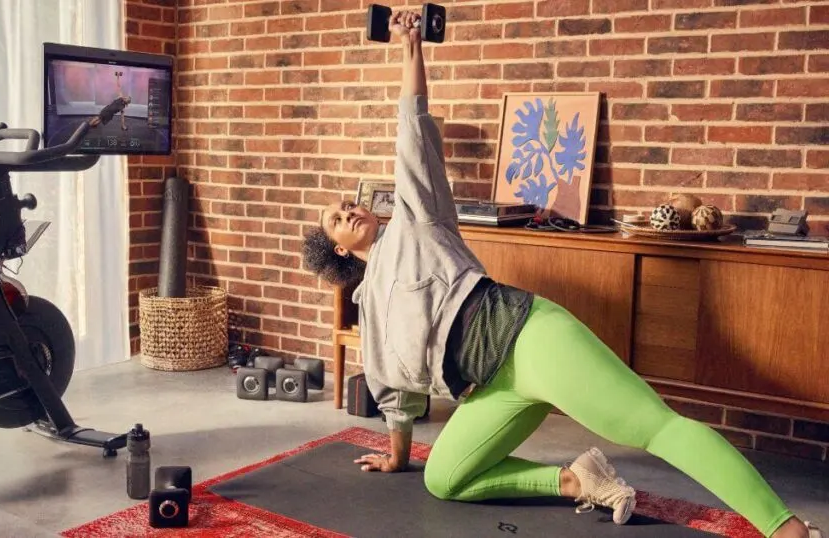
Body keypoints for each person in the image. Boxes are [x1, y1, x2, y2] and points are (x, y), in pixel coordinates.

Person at [300, 10, 821, 538]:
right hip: (488, 391)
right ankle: (576, 480)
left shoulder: (418, 220)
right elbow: (397, 396)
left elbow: (413, 134)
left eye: (348, 204)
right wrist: (397, 458)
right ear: (338, 251)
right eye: (336, 218)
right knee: (445, 478)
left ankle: (785, 527)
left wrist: (410, 47)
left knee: (653, 428)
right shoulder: (369, 310)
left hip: (530, 340)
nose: (348, 210)